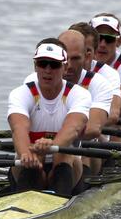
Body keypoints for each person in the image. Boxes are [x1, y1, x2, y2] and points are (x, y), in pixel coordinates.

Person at [7, 38, 91, 196]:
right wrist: (26, 154)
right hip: (30, 162)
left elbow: (73, 128)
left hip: (65, 167)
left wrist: (51, 146)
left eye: (54, 64)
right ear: (35, 66)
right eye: (42, 63)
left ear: (65, 67)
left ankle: (58, 200)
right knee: (29, 159)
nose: (47, 70)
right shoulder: (20, 94)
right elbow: (18, 128)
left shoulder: (79, 94)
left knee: (65, 156)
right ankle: (25, 204)